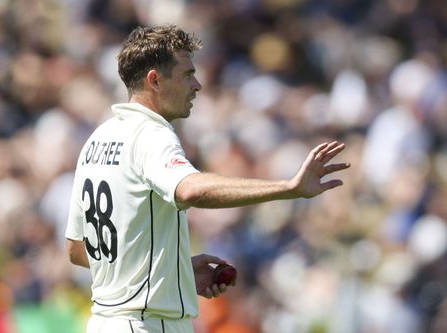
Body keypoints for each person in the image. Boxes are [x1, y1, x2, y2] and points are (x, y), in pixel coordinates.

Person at [65, 24, 350, 333]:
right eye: (187, 74)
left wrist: (174, 272)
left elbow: (78, 249)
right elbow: (189, 190)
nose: (198, 85)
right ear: (155, 80)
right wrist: (287, 188)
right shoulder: (152, 134)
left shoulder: (97, 140)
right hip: (147, 325)